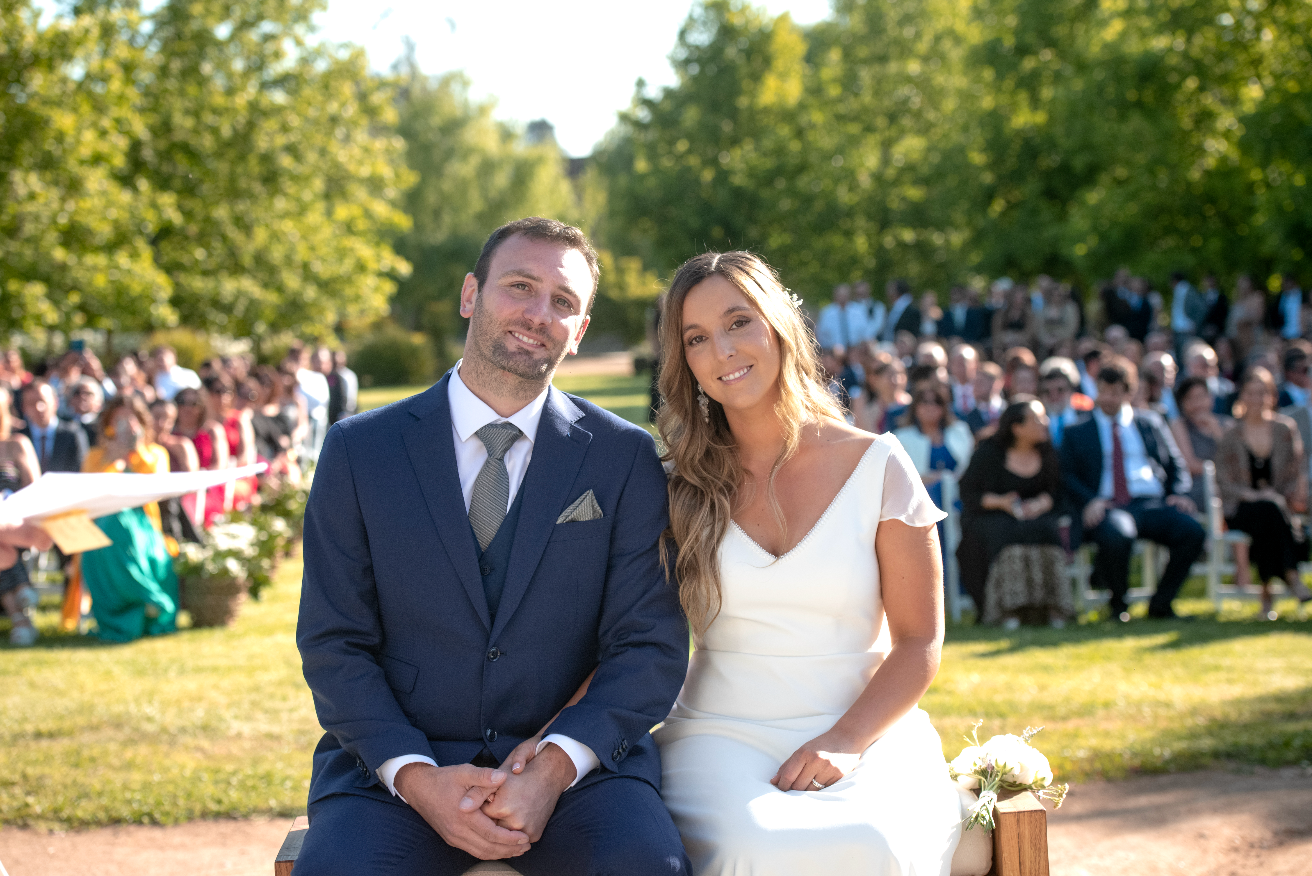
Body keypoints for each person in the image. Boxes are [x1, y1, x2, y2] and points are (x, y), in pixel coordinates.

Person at [293, 218, 691, 876]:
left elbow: (647, 644)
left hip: (579, 777)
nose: (538, 313)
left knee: (647, 865)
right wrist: (418, 778)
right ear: (470, 294)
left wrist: (554, 768)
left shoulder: (622, 459)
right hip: (391, 779)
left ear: (581, 329)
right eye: (519, 286)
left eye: (563, 302)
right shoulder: (359, 452)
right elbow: (334, 643)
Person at [653, 250, 967, 876]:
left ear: (778, 324)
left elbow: (919, 640)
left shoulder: (879, 465)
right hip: (719, 733)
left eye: (739, 322)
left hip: (867, 729)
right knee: (758, 845)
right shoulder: (677, 484)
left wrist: (846, 740)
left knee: (874, 841)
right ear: (684, 361)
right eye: (697, 338)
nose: (723, 350)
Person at [1060, 356, 1205, 621]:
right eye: (1102, 391)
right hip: (1108, 505)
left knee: (1192, 531)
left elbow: (1176, 466)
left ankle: (1161, 603)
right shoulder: (1077, 431)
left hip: (1151, 502)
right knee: (1117, 534)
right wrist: (1089, 501)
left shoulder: (1150, 423)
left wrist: (1179, 494)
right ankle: (1119, 606)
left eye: (1115, 393)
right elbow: (1067, 477)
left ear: (1129, 392)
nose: (1107, 398)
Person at [956, 398, 1072, 628]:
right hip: (991, 516)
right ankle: (1007, 610)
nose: (1045, 423)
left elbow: (1058, 491)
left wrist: (1042, 503)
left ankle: (1052, 608)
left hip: (1036, 516)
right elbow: (968, 492)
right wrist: (1002, 502)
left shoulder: (1048, 453)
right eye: (1038, 419)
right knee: (1005, 533)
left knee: (1046, 530)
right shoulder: (988, 453)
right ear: (1017, 428)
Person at [78, 395, 180, 643]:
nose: (124, 426)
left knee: (122, 525)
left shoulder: (155, 453)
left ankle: (148, 600)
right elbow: (89, 492)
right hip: (102, 527)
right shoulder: (96, 456)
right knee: (114, 525)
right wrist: (114, 458)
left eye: (129, 420)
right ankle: (138, 604)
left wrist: (136, 452)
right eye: (118, 420)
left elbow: (155, 487)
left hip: (144, 528)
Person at [1214, 367, 1312, 619]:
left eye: (1262, 393)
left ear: (1271, 396)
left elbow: (1296, 472)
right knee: (1267, 512)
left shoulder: (1284, 429)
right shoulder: (1231, 434)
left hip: (1279, 507)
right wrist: (1253, 495)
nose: (1257, 399)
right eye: (1251, 393)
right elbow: (1223, 481)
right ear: (1242, 396)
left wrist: (1281, 495)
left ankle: (1267, 593)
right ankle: (1291, 576)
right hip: (1242, 507)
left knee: (1269, 517)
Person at [892, 381, 975, 558]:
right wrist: (936, 479)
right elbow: (899, 479)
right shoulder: (902, 438)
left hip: (961, 508)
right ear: (915, 407)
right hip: (923, 513)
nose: (930, 407)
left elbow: (971, 470)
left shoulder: (960, 432)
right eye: (924, 402)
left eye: (936, 402)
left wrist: (947, 480)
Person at [0, 385, 42, 645]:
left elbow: (36, 490)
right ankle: (22, 600)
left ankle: (20, 619)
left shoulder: (17, 445)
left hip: (21, 521)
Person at [172, 387, 229, 527]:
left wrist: (200, 482)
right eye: (182, 402)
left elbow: (221, 466)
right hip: (174, 489)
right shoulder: (168, 435)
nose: (187, 408)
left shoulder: (212, 431)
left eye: (193, 403)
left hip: (207, 489)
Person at [18, 379, 89, 475]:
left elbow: (81, 469)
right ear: (24, 408)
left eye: (43, 401)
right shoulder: (19, 438)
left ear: (56, 402)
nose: (39, 408)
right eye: (31, 403)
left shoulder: (73, 433)